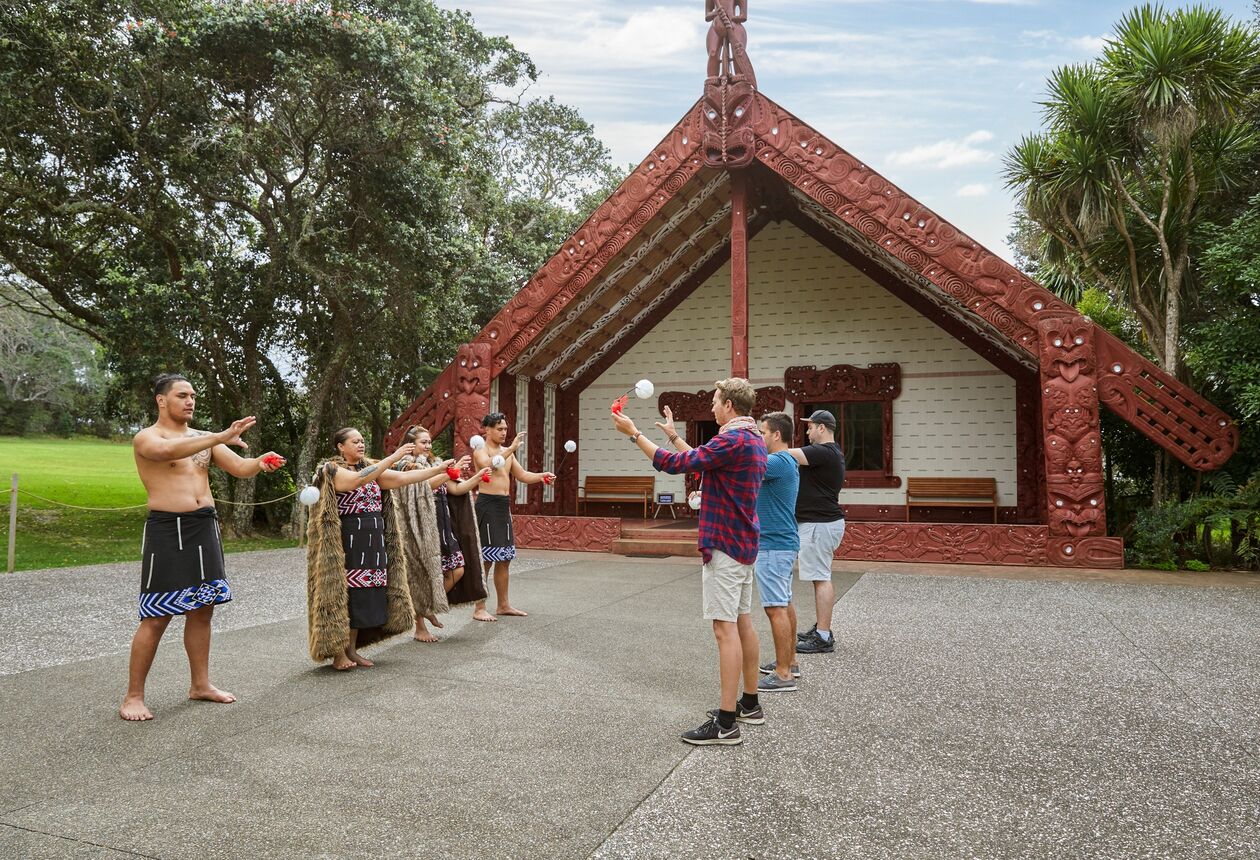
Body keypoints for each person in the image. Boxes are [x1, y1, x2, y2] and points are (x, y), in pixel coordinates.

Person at [121, 373, 286, 722]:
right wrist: (219, 436)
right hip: (168, 530)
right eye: (182, 395)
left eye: (193, 395)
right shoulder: (147, 437)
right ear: (161, 400)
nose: (190, 401)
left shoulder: (203, 437)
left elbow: (239, 468)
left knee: (203, 609)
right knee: (157, 615)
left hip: (204, 526)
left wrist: (259, 462)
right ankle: (133, 697)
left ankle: (200, 684)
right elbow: (166, 451)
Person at [616, 379, 766, 746]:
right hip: (743, 542)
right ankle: (749, 703)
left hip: (726, 544)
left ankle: (727, 722)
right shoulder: (751, 438)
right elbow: (703, 462)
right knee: (742, 621)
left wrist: (634, 433)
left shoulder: (732, 439)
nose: (712, 408)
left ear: (729, 405)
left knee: (724, 628)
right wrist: (673, 435)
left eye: (715, 402)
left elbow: (673, 465)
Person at [304, 428, 451, 670]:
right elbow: (356, 480)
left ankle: (352, 650)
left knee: (363, 596)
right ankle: (338, 653)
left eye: (363, 441)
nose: (361, 444)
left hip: (372, 541)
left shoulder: (372, 468)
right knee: (344, 595)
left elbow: (402, 480)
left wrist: (439, 469)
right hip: (346, 541)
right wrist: (392, 458)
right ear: (341, 446)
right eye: (355, 441)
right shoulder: (331, 470)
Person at [395, 425, 489, 642]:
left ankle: (428, 607)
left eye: (429, 442)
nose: (428, 446)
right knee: (422, 575)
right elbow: (422, 486)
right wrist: (446, 471)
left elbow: (456, 489)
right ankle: (420, 627)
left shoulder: (435, 464)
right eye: (423, 442)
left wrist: (477, 477)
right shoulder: (404, 466)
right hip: (419, 527)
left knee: (457, 570)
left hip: (443, 525)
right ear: (411, 444)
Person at [470, 412, 554, 622]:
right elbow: (489, 465)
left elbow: (523, 475)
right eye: (499, 429)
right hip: (486, 505)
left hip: (502, 506)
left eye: (505, 429)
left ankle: (503, 605)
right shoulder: (481, 450)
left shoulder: (507, 452)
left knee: (505, 557)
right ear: (487, 430)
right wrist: (512, 449)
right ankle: (479, 607)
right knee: (487, 558)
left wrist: (541, 476)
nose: (504, 432)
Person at [790, 410, 847, 655]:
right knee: (819, 576)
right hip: (820, 523)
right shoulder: (829, 453)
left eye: (811, 426)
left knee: (821, 576)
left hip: (819, 524)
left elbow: (784, 454)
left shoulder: (823, 452)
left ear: (822, 428)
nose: (807, 431)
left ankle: (823, 636)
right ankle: (821, 630)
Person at [752, 411, 801, 692]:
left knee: (775, 609)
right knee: (784, 603)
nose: (759, 436)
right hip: (780, 543)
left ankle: (783, 674)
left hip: (773, 544)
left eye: (762, 432)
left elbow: (745, 464)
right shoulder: (784, 462)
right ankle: (790, 661)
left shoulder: (777, 461)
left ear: (776, 435)